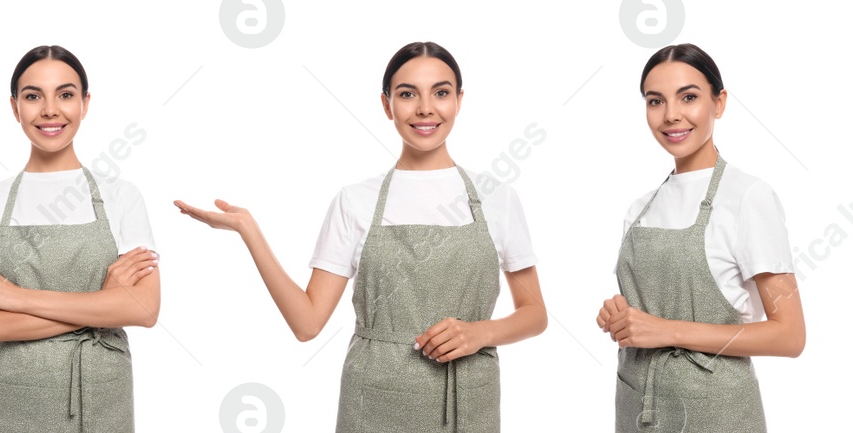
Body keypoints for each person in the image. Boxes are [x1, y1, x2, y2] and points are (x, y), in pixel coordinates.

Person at [175, 41, 547, 432]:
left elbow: (534, 312)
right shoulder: (355, 201)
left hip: (469, 401)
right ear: (387, 105)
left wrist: (478, 333)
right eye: (407, 94)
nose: (425, 108)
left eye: (441, 92)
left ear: (459, 100)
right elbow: (307, 324)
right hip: (374, 401)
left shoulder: (497, 199)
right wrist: (249, 232)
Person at [596, 43, 806, 432]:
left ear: (719, 102)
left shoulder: (748, 197)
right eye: (655, 101)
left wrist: (668, 330)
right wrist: (620, 315)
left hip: (717, 413)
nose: (671, 115)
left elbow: (789, 336)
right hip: (637, 408)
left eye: (688, 97)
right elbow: (648, 311)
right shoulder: (640, 208)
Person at [0, 45, 161, 433]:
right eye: (33, 96)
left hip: (101, 396)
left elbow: (144, 309)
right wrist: (103, 304)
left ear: (85, 104)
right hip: (10, 398)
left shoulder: (122, 197)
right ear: (15, 107)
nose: (50, 110)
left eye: (65, 94)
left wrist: (15, 297)